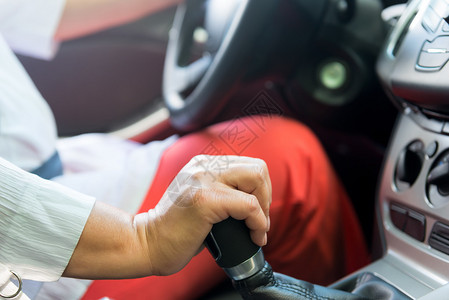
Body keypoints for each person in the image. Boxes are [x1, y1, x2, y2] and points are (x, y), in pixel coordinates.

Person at [0, 0, 370, 299]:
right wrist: (143, 238)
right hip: (35, 254)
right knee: (290, 160)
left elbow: (43, 9)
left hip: (55, 177)